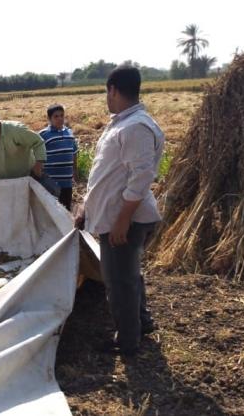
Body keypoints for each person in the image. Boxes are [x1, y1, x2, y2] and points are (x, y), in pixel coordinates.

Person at [75, 66, 165, 356]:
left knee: (119, 282)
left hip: (122, 219)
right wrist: (86, 208)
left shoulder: (135, 127)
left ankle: (127, 341)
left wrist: (122, 221)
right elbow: (109, 174)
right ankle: (141, 322)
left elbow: (140, 178)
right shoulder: (122, 123)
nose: (107, 97)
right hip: (112, 215)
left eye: (106, 92)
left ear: (112, 89)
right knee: (128, 274)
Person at [39, 104, 79, 210]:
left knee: (66, 210)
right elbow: (36, 156)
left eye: (62, 115)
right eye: (56, 116)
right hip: (51, 182)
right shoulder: (43, 135)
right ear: (49, 119)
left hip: (67, 181)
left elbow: (74, 153)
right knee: (52, 212)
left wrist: (75, 170)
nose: (60, 118)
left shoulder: (69, 133)